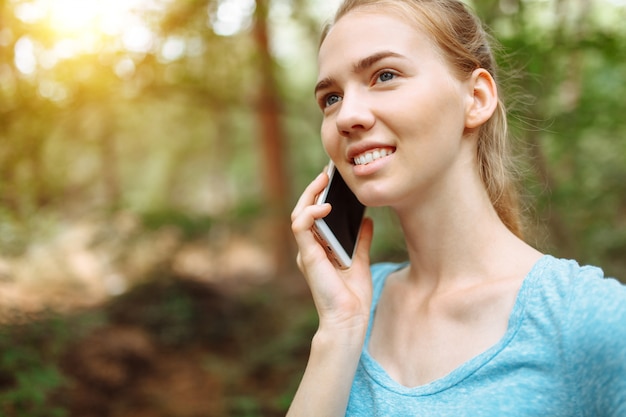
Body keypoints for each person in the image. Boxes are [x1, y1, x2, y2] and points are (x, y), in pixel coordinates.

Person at [288, 0, 626, 416]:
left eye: (385, 75)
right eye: (332, 98)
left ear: (477, 98)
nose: (346, 117)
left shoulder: (585, 317)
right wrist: (339, 331)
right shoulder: (355, 301)